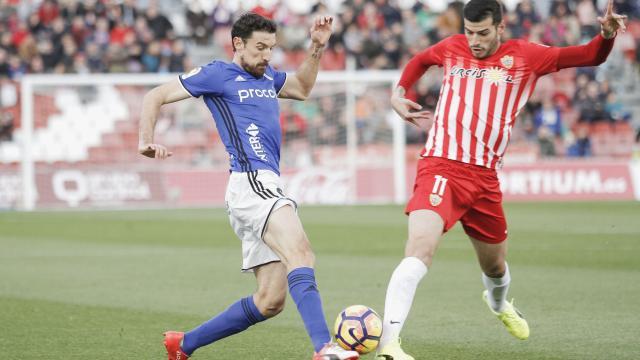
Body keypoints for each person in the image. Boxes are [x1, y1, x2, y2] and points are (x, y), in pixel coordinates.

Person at [375, 1, 626, 359]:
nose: (474, 41)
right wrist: (399, 93)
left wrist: (606, 36)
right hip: (440, 167)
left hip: (484, 179)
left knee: (494, 267)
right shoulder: (452, 47)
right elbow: (420, 61)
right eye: (469, 32)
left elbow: (589, 56)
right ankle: (390, 343)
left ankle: (499, 304)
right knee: (419, 249)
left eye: (482, 33)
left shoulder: (526, 56)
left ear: (500, 28)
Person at [138, 12, 359, 360]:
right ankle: (324, 349)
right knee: (301, 253)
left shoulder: (267, 75)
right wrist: (146, 141)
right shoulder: (217, 73)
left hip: (261, 183)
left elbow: (301, 88)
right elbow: (155, 95)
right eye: (260, 47)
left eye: (271, 48)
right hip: (251, 181)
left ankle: (183, 344)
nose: (267, 56)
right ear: (238, 44)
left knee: (270, 301)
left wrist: (316, 47)